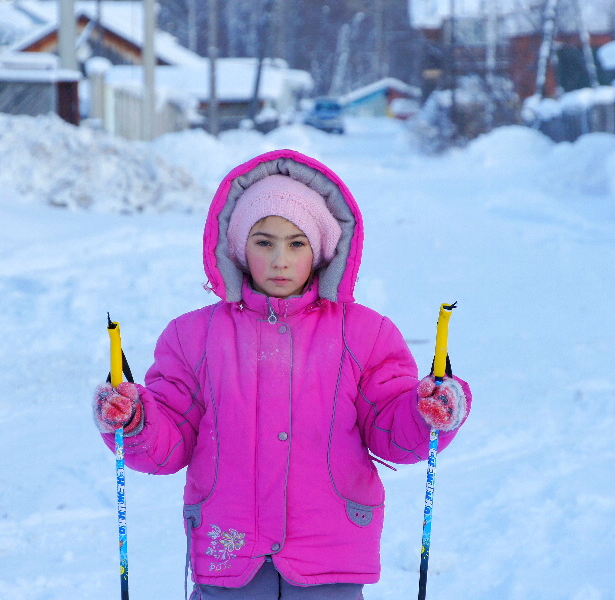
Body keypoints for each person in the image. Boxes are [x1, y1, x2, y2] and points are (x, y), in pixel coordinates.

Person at [93, 149, 471, 599]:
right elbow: (168, 442)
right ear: (237, 246)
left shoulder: (365, 335)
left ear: (321, 250)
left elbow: (392, 429)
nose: (279, 259)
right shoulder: (193, 337)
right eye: (264, 241)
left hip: (330, 551)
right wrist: (134, 421)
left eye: (296, 243)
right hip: (228, 547)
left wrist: (426, 412)